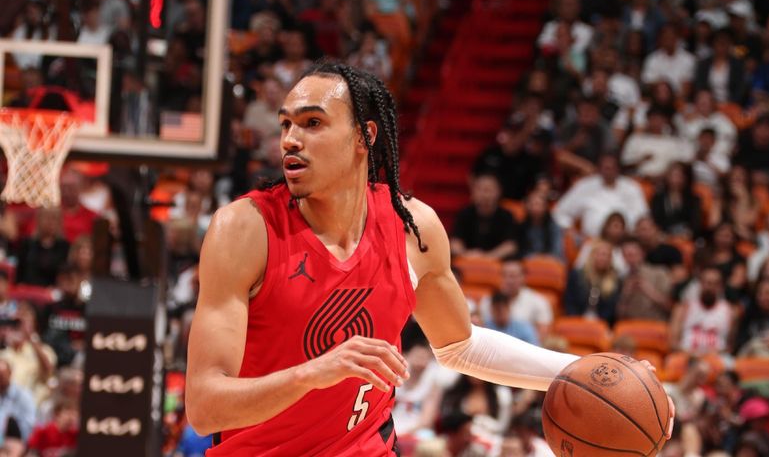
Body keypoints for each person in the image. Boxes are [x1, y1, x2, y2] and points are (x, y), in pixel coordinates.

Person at [184, 63, 673, 454]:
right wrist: (313, 373)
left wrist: (594, 371)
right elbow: (204, 408)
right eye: (286, 124)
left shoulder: (412, 228)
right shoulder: (245, 229)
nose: (291, 138)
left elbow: (461, 346)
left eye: (313, 123)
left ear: (364, 136)